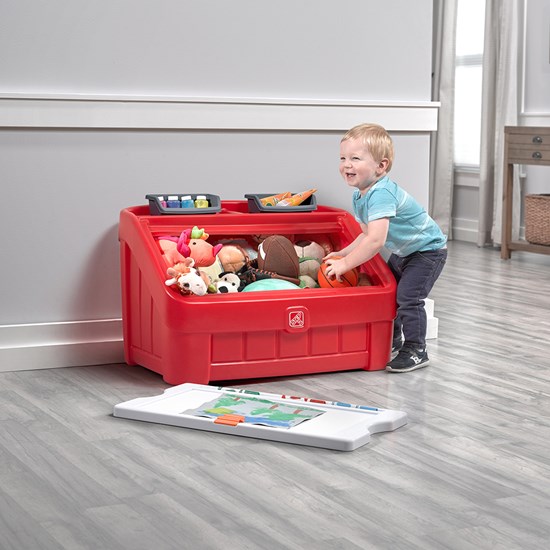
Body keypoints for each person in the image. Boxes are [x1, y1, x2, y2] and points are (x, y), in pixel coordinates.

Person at [324, 123, 447, 373]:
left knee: (409, 298)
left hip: (427, 251)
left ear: (381, 166)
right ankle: (395, 339)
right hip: (405, 251)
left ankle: (416, 349)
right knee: (391, 293)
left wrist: (347, 265)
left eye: (355, 158)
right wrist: (343, 254)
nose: (347, 164)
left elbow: (376, 241)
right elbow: (366, 234)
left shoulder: (381, 194)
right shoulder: (360, 194)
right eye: (343, 158)